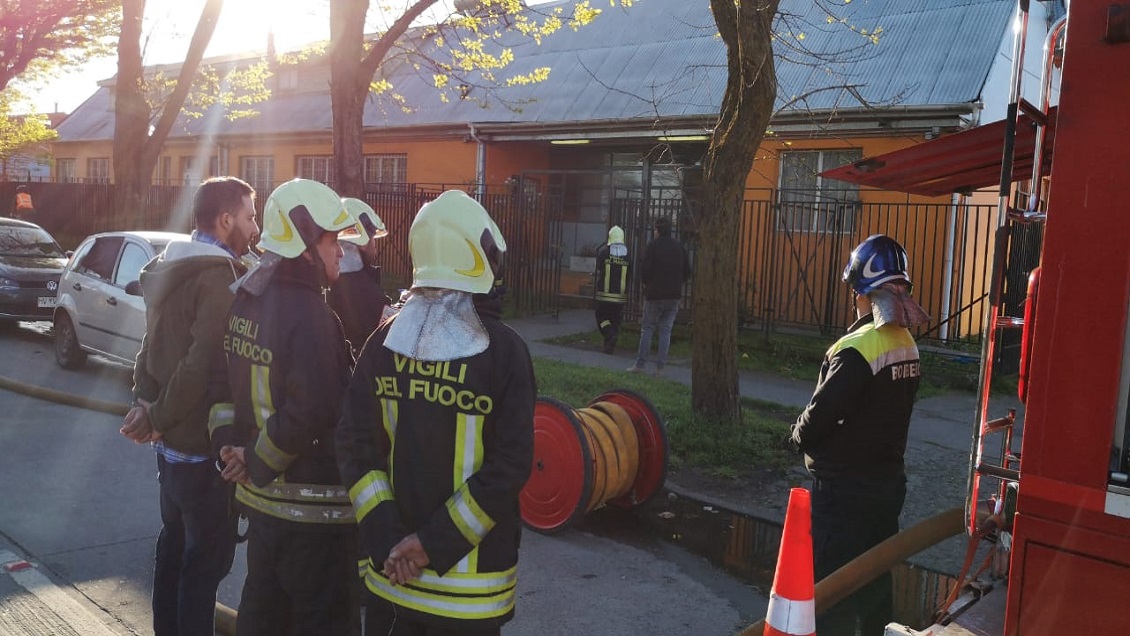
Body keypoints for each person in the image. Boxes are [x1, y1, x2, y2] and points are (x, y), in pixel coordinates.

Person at [336, 190, 536, 636]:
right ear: (477, 258)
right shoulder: (505, 353)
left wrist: (392, 539)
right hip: (471, 595)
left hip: (394, 580)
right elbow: (511, 465)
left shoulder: (382, 343)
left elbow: (354, 447)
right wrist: (430, 545)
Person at [209, 178, 361, 635]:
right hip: (314, 518)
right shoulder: (311, 314)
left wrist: (231, 450)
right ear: (303, 242)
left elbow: (221, 388)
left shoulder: (245, 298)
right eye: (333, 240)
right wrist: (255, 460)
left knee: (263, 618)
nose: (341, 252)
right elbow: (314, 410)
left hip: (262, 508)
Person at [120, 176, 259, 636]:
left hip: (168, 448)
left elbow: (150, 344)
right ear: (225, 220)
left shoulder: (169, 263)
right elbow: (201, 362)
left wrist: (145, 405)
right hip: (199, 450)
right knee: (205, 564)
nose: (255, 228)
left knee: (174, 551)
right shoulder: (217, 276)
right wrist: (153, 414)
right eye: (249, 216)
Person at [788, 234, 930, 636]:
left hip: (844, 494)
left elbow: (820, 415)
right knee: (874, 584)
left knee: (831, 589)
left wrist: (796, 437)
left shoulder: (856, 348)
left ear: (865, 296)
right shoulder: (907, 344)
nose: (854, 300)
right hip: (886, 487)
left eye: (856, 293)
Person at [328, 197, 391, 357]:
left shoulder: (322, 283)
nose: (374, 247)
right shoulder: (368, 292)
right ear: (363, 241)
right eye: (373, 239)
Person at [629, 215, 690, 376]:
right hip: (673, 296)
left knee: (648, 328)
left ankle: (640, 365)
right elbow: (687, 271)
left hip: (654, 295)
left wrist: (646, 283)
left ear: (657, 230)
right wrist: (678, 283)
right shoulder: (679, 247)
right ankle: (660, 368)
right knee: (665, 331)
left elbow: (645, 269)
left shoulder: (653, 246)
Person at [594, 225, 630, 354]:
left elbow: (599, 270)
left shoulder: (604, 252)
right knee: (615, 320)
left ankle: (609, 335)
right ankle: (609, 346)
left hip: (605, 295)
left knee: (601, 318)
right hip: (620, 297)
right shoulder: (627, 255)